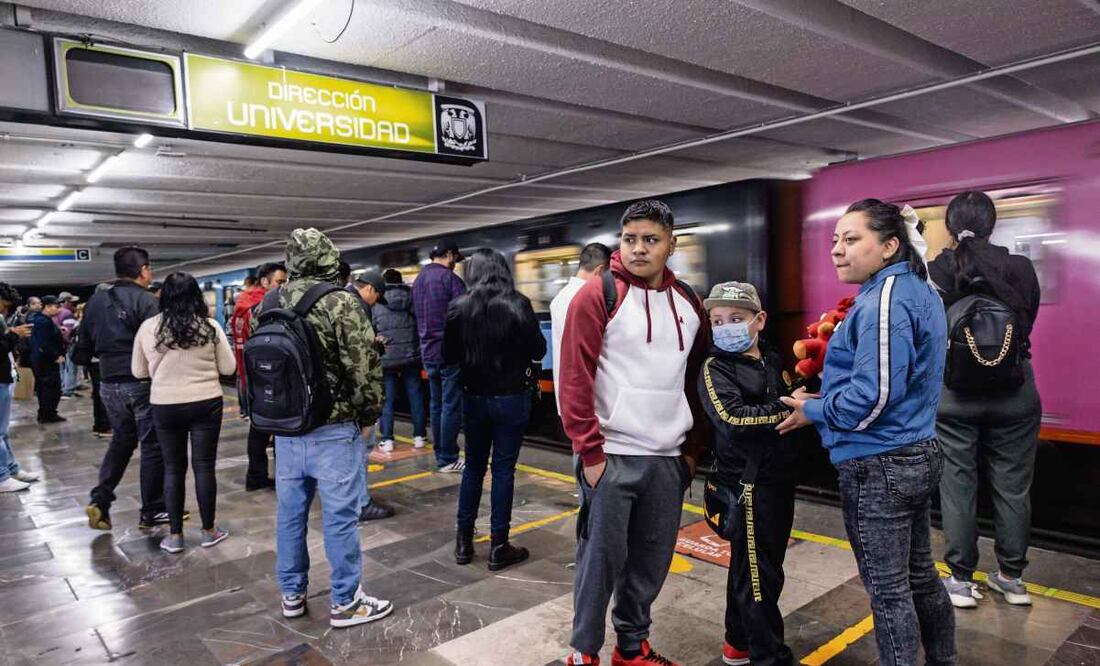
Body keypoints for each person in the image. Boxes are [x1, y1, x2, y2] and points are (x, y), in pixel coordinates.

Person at [778, 199, 956, 666]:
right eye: (835, 240)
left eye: (851, 239)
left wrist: (816, 409)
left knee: (888, 590)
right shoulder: (923, 290)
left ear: (889, 246)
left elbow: (873, 396)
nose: (837, 250)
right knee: (920, 576)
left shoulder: (884, 300)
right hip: (916, 450)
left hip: (879, 463)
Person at [558, 199, 709, 666]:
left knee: (651, 561)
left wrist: (691, 452)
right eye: (630, 239)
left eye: (651, 240)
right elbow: (573, 377)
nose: (638, 249)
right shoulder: (598, 295)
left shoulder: (688, 302)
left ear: (671, 244)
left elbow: (695, 377)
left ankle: (631, 646)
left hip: (668, 458)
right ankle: (584, 653)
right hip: (613, 454)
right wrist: (591, 454)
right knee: (598, 565)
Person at [253, 228, 391, 629]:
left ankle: (292, 594)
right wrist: (368, 419)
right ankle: (346, 601)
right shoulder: (339, 302)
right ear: (329, 258)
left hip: (286, 427)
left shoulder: (271, 300)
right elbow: (362, 368)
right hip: (333, 430)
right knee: (340, 517)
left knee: (290, 515)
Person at [928, 191, 1043, 608]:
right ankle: (1011, 578)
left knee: (957, 485)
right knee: (1013, 487)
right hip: (1016, 390)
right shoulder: (1020, 267)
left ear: (950, 224)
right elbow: (1027, 322)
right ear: (993, 224)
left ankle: (960, 581)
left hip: (953, 394)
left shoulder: (936, 270)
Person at [697, 281, 796, 666]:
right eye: (718, 321)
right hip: (747, 486)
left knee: (752, 567)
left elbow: (790, 393)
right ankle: (769, 657)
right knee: (760, 578)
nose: (725, 328)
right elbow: (733, 419)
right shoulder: (715, 368)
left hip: (777, 481)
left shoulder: (771, 361)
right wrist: (790, 411)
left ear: (759, 320)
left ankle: (737, 642)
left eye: (735, 319)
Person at [445, 249, 546, 571]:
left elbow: (447, 355)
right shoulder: (519, 304)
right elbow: (538, 349)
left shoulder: (459, 307)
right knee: (503, 470)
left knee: (474, 468)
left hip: (473, 397)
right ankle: (499, 545)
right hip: (512, 398)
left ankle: (464, 542)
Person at [132, 272, 234, 553]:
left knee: (173, 468)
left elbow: (138, 371)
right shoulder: (209, 326)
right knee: (204, 467)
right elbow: (228, 368)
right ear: (195, 296)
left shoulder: (148, 327)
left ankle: (175, 536)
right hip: (206, 402)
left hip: (165, 404)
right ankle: (209, 531)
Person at [77, 246, 171, 531]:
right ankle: (153, 509)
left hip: (109, 383)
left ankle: (101, 500)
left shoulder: (95, 302)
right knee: (152, 445)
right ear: (143, 270)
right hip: (140, 384)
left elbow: (83, 348)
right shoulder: (146, 302)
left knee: (122, 441)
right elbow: (160, 345)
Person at [230, 262, 287, 491]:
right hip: (268, 375)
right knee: (281, 429)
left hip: (250, 376)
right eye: (280, 282)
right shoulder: (264, 307)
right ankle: (283, 476)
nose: (284, 287)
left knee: (259, 429)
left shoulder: (243, 305)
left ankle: (256, 476)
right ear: (265, 282)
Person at [345, 269, 396, 522]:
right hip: (357, 397)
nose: (376, 303)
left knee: (352, 452)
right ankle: (361, 503)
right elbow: (361, 362)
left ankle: (352, 498)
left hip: (343, 395)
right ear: (370, 290)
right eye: (377, 297)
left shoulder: (342, 301)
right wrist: (367, 410)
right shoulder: (358, 307)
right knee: (361, 450)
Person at [412, 239, 467, 473]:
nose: (455, 263)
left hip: (428, 351)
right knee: (451, 405)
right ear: (448, 255)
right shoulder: (450, 279)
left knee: (436, 405)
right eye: (454, 257)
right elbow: (465, 313)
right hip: (449, 351)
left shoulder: (418, 280)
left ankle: (440, 453)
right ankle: (447, 457)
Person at [550, 242, 611, 413]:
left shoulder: (559, 299)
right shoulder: (588, 301)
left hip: (568, 398)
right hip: (592, 401)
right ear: (599, 271)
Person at [374, 269, 427, 454]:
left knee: (386, 399)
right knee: (415, 394)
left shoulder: (377, 300)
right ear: (400, 280)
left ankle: (387, 440)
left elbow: (373, 328)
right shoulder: (412, 297)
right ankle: (419, 436)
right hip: (410, 355)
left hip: (387, 357)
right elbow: (421, 322)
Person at [0, 282, 36, 492]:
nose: (5, 310)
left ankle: (10, 469)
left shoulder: (2, 318)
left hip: (4, 376)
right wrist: (13, 334)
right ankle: (2, 476)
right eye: (4, 305)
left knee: (3, 431)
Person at [29, 296, 65, 424]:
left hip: (43, 360)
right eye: (56, 306)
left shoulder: (44, 320)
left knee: (48, 388)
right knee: (49, 389)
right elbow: (44, 343)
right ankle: (47, 415)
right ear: (47, 307)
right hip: (46, 361)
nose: (59, 309)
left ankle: (48, 413)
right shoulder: (43, 321)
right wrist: (56, 356)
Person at [88, 283, 113, 437]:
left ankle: (103, 423)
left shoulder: (91, 309)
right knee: (102, 392)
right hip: (100, 358)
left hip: (96, 357)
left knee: (100, 392)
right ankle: (103, 425)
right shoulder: (102, 312)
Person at [56, 292, 81, 398]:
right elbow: (68, 333)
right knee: (71, 367)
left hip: (57, 345)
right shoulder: (67, 313)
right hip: (67, 345)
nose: (73, 304)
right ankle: (69, 389)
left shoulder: (55, 312)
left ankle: (62, 387)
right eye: (71, 302)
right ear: (66, 302)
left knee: (61, 368)